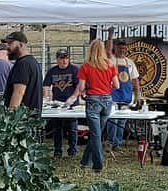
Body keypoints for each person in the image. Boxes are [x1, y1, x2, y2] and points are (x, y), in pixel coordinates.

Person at [66, 40, 118, 173]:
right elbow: (117, 85)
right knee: (97, 133)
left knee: (95, 134)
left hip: (93, 100)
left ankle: (98, 164)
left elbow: (82, 87)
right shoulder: (110, 65)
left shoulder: (86, 67)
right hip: (107, 100)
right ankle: (84, 162)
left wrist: (88, 87)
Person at [42, 49, 80, 158]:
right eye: (62, 58)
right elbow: (46, 85)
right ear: (57, 59)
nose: (64, 61)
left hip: (71, 104)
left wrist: (73, 97)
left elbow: (79, 86)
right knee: (57, 128)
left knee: (72, 128)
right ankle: (57, 150)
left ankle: (72, 150)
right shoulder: (52, 71)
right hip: (57, 104)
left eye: (66, 58)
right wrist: (46, 98)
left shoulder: (74, 70)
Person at [107, 41, 143, 149]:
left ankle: (117, 143)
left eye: (124, 48)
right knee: (113, 120)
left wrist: (137, 95)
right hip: (113, 95)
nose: (122, 50)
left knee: (122, 121)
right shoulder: (111, 60)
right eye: (120, 48)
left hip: (126, 95)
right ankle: (110, 142)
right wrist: (110, 37)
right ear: (115, 49)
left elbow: (135, 80)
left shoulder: (130, 63)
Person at [3, 31, 43, 112]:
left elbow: (18, 92)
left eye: (10, 43)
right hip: (31, 118)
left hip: (22, 120)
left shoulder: (23, 64)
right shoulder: (32, 62)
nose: (7, 47)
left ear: (21, 45)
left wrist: (11, 118)